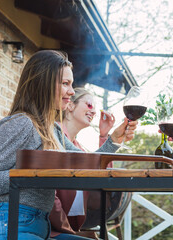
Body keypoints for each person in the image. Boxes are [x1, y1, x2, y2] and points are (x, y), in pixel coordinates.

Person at [0, 50, 137, 239]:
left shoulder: (53, 130)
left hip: (40, 225)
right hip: (9, 222)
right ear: (43, 84)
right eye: (65, 83)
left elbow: (87, 162)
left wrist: (114, 140)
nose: (72, 91)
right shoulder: (22, 124)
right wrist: (30, 175)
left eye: (71, 84)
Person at [49, 87, 117, 239]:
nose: (93, 112)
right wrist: (67, 229)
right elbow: (48, 194)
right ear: (71, 106)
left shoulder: (78, 147)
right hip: (51, 228)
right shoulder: (52, 136)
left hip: (69, 228)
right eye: (89, 105)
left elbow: (102, 176)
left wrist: (104, 136)